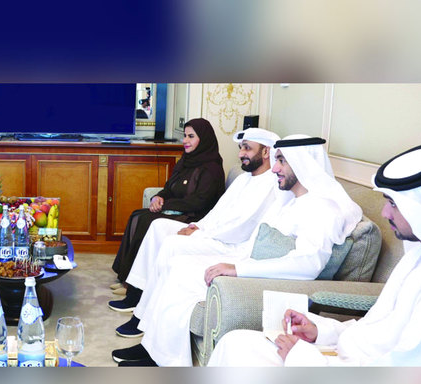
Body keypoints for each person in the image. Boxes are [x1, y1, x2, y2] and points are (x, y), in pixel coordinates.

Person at [112, 135, 362, 366]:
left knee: (181, 273)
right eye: (276, 160)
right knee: (178, 264)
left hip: (263, 281)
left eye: (282, 161)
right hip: (246, 261)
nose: (275, 168)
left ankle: (163, 359)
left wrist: (237, 268)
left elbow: (307, 265)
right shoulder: (291, 200)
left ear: (303, 163)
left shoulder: (323, 210)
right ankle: (153, 347)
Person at [209, 143, 421, 366]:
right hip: (340, 356)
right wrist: (320, 331)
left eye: (393, 203)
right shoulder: (418, 255)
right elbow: (374, 328)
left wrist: (301, 358)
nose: (384, 213)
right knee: (234, 342)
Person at [109, 128, 283, 331]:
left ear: (266, 152)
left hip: (231, 245)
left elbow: (241, 227)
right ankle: (137, 293)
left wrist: (201, 232)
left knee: (172, 243)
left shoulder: (270, 184)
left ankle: (144, 317)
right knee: (158, 226)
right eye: (240, 148)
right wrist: (198, 226)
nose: (241, 154)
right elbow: (218, 211)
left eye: (247, 148)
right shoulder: (244, 178)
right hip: (212, 233)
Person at [110, 118, 225, 286]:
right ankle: (126, 278)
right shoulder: (186, 161)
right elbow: (169, 187)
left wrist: (165, 205)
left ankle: (134, 285)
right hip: (179, 210)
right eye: (185, 135)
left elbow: (199, 202)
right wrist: (158, 197)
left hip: (195, 217)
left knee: (146, 221)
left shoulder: (212, 168)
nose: (185, 140)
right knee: (136, 216)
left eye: (191, 136)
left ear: (204, 139)